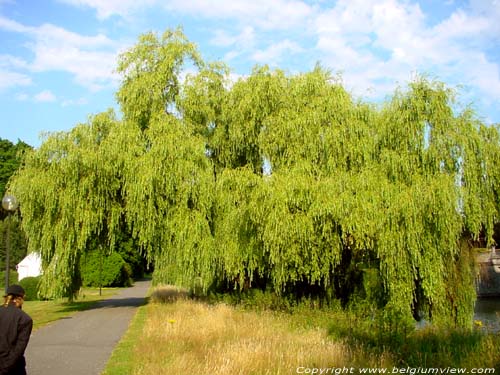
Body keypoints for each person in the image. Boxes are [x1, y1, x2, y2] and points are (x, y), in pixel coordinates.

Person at [0, 285, 33, 375]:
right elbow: (19, 349)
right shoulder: (25, 319)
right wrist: (4, 368)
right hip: (13, 367)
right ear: (19, 298)